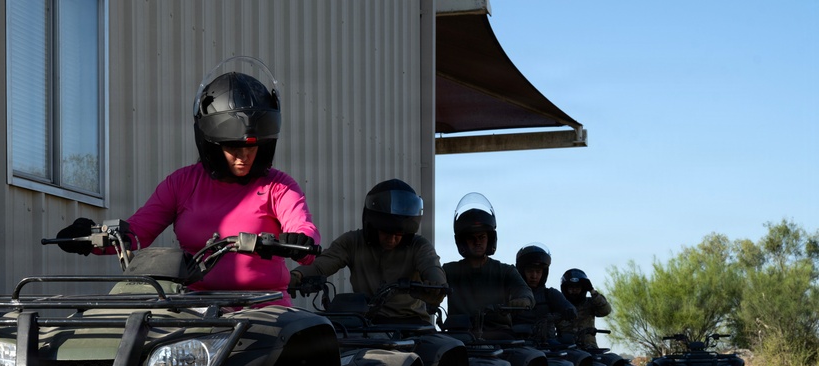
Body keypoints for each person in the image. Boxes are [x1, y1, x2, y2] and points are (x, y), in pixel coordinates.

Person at [56, 57, 319, 307]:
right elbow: (137, 232)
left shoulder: (279, 187)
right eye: (232, 147)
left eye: (254, 147)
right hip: (196, 307)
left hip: (265, 306)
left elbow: (303, 228)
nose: (245, 156)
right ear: (211, 145)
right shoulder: (182, 183)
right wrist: (89, 240)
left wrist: (300, 241)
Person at [289, 178, 446, 324]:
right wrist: (297, 275)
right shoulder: (353, 242)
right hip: (365, 324)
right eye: (385, 232)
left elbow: (431, 266)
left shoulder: (419, 246)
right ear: (371, 226)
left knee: (434, 348)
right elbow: (321, 264)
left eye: (398, 234)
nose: (391, 239)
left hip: (411, 324)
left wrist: (435, 286)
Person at [441, 193, 534, 336]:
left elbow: (524, 290)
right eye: (471, 238)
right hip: (459, 337)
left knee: (525, 356)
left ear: (490, 239)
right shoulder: (449, 271)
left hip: (498, 336)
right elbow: (433, 283)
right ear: (462, 242)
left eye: (482, 237)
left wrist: (523, 300)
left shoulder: (505, 271)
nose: (477, 242)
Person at [512, 243, 577, 343]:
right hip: (517, 343)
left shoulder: (550, 294)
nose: (534, 276)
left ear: (544, 273)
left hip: (547, 344)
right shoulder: (510, 293)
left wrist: (569, 310)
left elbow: (568, 306)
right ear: (521, 271)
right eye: (530, 271)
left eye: (538, 272)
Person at [560, 268, 612, 348]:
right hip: (565, 349)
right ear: (565, 289)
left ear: (583, 289)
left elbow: (606, 310)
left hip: (589, 349)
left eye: (577, 288)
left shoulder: (590, 303)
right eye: (571, 288)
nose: (574, 291)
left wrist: (592, 291)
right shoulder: (559, 305)